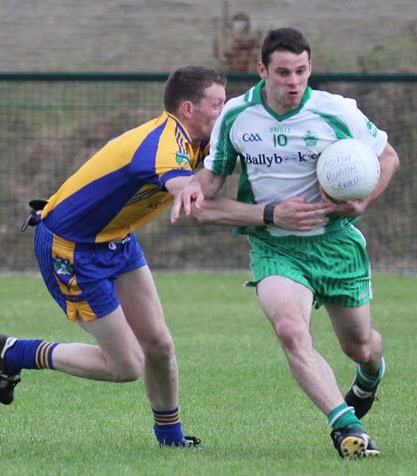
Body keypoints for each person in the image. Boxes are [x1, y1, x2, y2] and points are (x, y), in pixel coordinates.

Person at [171, 28, 399, 458]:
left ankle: (370, 374)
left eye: (301, 71)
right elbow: (215, 174)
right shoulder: (237, 115)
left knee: (360, 345)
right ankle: (347, 428)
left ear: (310, 67)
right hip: (276, 246)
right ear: (262, 71)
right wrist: (193, 185)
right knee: (291, 331)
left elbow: (388, 158)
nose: (293, 82)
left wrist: (363, 202)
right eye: (283, 72)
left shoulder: (338, 112)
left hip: (334, 244)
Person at [0, 65, 227, 447]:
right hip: (72, 248)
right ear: (188, 109)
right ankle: (15, 352)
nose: (224, 111)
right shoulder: (162, 147)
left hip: (116, 239)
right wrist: (269, 217)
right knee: (126, 365)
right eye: (217, 104)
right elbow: (196, 202)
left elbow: (220, 162)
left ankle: (171, 440)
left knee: (160, 345)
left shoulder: (198, 138)